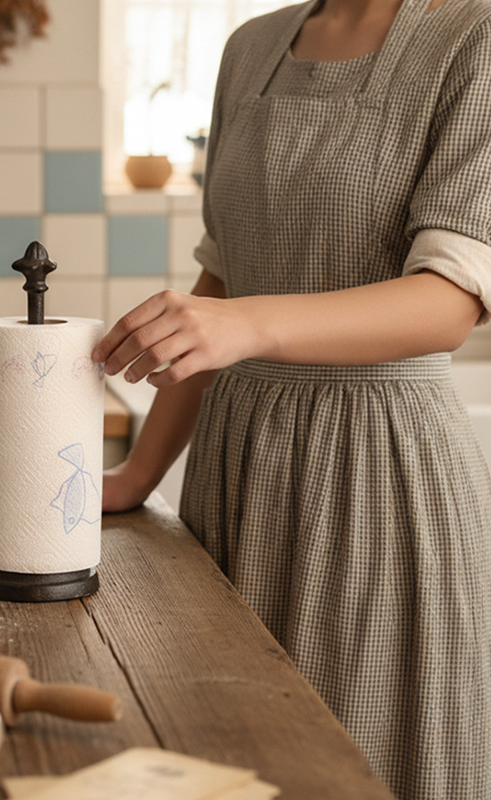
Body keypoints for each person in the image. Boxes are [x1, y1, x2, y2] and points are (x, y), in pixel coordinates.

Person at [91, 1, 491, 798]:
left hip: (378, 479)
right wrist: (138, 475)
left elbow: (451, 300)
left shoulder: (474, 35)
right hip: (235, 474)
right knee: (230, 754)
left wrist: (244, 323)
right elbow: (224, 277)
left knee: (353, 766)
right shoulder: (251, 47)